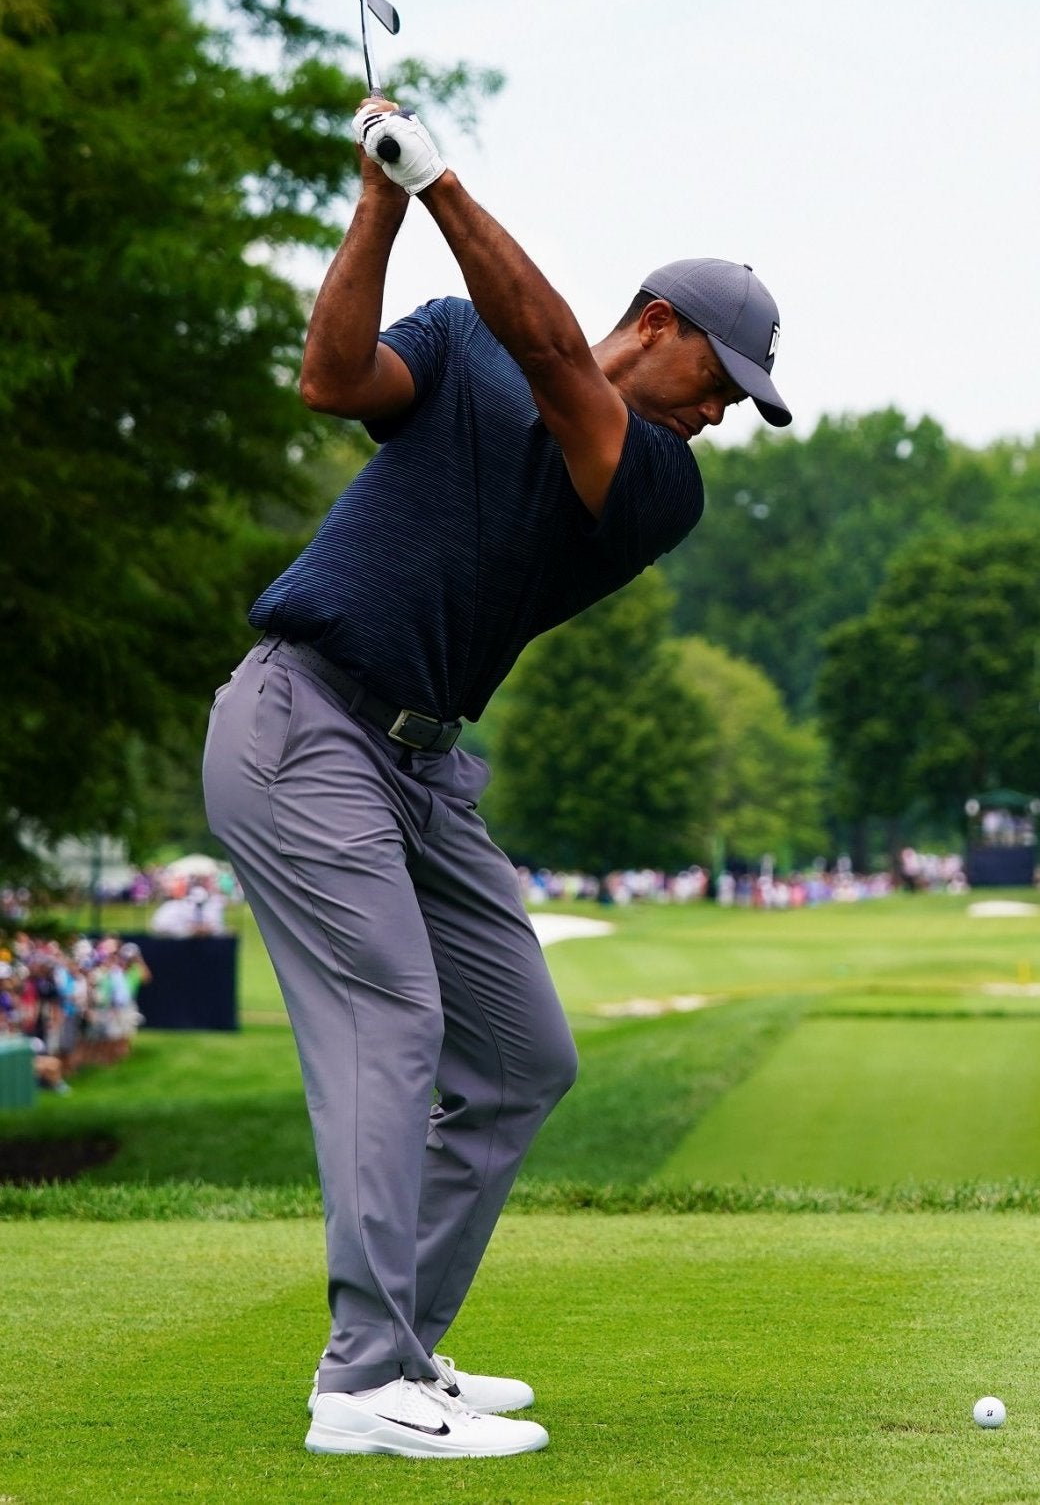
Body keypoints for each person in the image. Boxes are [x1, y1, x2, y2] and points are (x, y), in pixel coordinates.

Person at [202, 98, 787, 1459]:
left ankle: (406, 1349)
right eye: (722, 380)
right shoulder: (458, 344)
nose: (721, 414)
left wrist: (444, 183)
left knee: (523, 1056)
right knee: (396, 1022)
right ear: (657, 322)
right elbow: (334, 380)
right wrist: (383, 202)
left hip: (420, 769)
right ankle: (362, 1389)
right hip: (302, 726)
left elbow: (546, 352)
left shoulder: (651, 480)